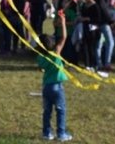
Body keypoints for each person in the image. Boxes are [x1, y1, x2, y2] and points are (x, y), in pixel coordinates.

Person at [37, 11, 72, 142]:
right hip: (57, 87)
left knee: (47, 111)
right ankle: (61, 134)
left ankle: (47, 133)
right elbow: (63, 37)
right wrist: (63, 22)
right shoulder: (56, 52)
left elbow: (40, 69)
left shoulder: (39, 56)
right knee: (61, 110)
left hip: (46, 87)